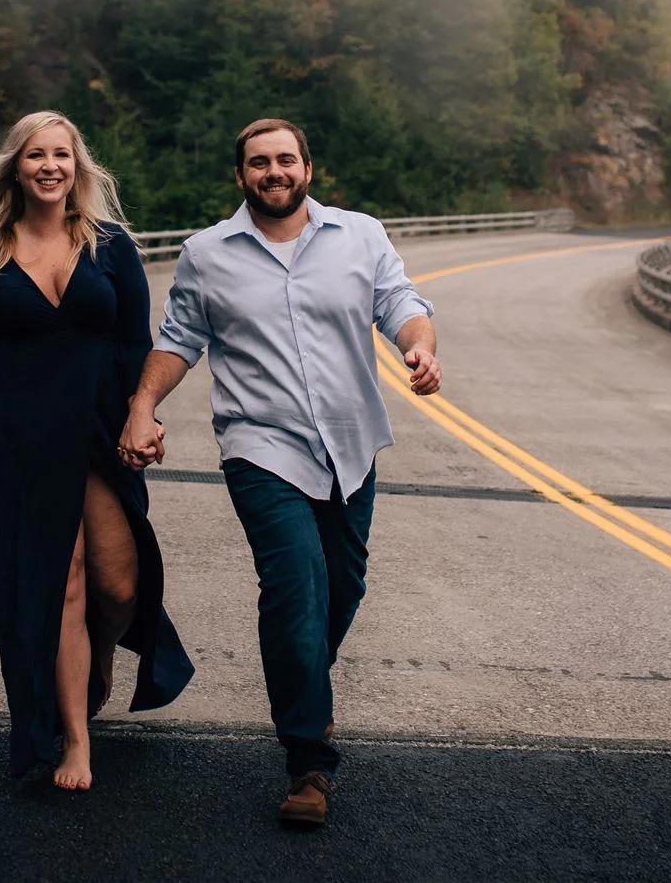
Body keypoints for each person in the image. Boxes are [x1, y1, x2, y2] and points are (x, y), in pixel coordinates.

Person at [118, 118, 441, 829]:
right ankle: (308, 761)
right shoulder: (207, 253)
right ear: (241, 175)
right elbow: (179, 339)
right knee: (295, 586)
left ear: (307, 168)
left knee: (341, 587)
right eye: (259, 162)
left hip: (350, 443)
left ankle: (303, 689)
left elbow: (402, 303)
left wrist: (417, 347)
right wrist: (142, 406)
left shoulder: (360, 235)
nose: (274, 171)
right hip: (260, 447)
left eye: (285, 159)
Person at [0, 110, 193, 790]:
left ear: (78, 166)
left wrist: (142, 417)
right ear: (15, 168)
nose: (50, 166)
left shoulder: (112, 247)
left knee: (118, 585)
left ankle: (99, 657)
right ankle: (74, 740)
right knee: (60, 581)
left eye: (61, 154)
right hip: (17, 440)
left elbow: (135, 346)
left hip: (98, 431)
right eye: (36, 155)